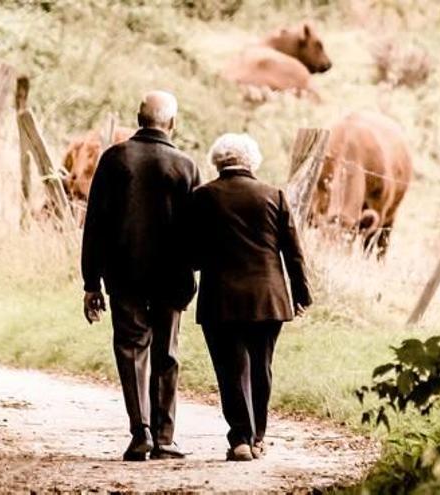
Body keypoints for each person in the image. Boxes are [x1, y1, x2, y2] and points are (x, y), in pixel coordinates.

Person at [80, 91, 201, 461]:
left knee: (131, 349)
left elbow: (95, 224)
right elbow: (197, 229)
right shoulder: (185, 166)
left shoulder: (115, 159)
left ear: (138, 117)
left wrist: (91, 282)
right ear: (173, 124)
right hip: (172, 277)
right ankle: (165, 437)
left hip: (124, 274)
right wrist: (193, 269)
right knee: (166, 353)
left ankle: (141, 432)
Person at [190, 133, 312, 462]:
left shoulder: (202, 197)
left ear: (217, 161)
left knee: (230, 370)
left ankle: (240, 439)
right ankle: (258, 437)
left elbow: (191, 253)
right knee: (262, 366)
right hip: (268, 297)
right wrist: (301, 293)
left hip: (221, 298)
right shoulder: (274, 195)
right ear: (251, 161)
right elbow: (294, 252)